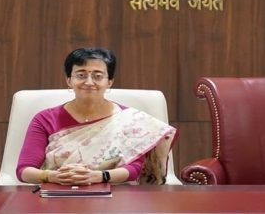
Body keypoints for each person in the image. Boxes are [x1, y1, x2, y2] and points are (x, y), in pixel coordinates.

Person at [16, 47, 177, 185]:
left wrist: (99, 177)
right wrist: (54, 176)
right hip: (57, 191)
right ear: (69, 80)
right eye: (81, 75)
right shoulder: (45, 119)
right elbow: (24, 170)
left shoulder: (129, 120)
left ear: (110, 82)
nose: (89, 81)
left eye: (97, 76)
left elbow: (134, 169)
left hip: (114, 192)